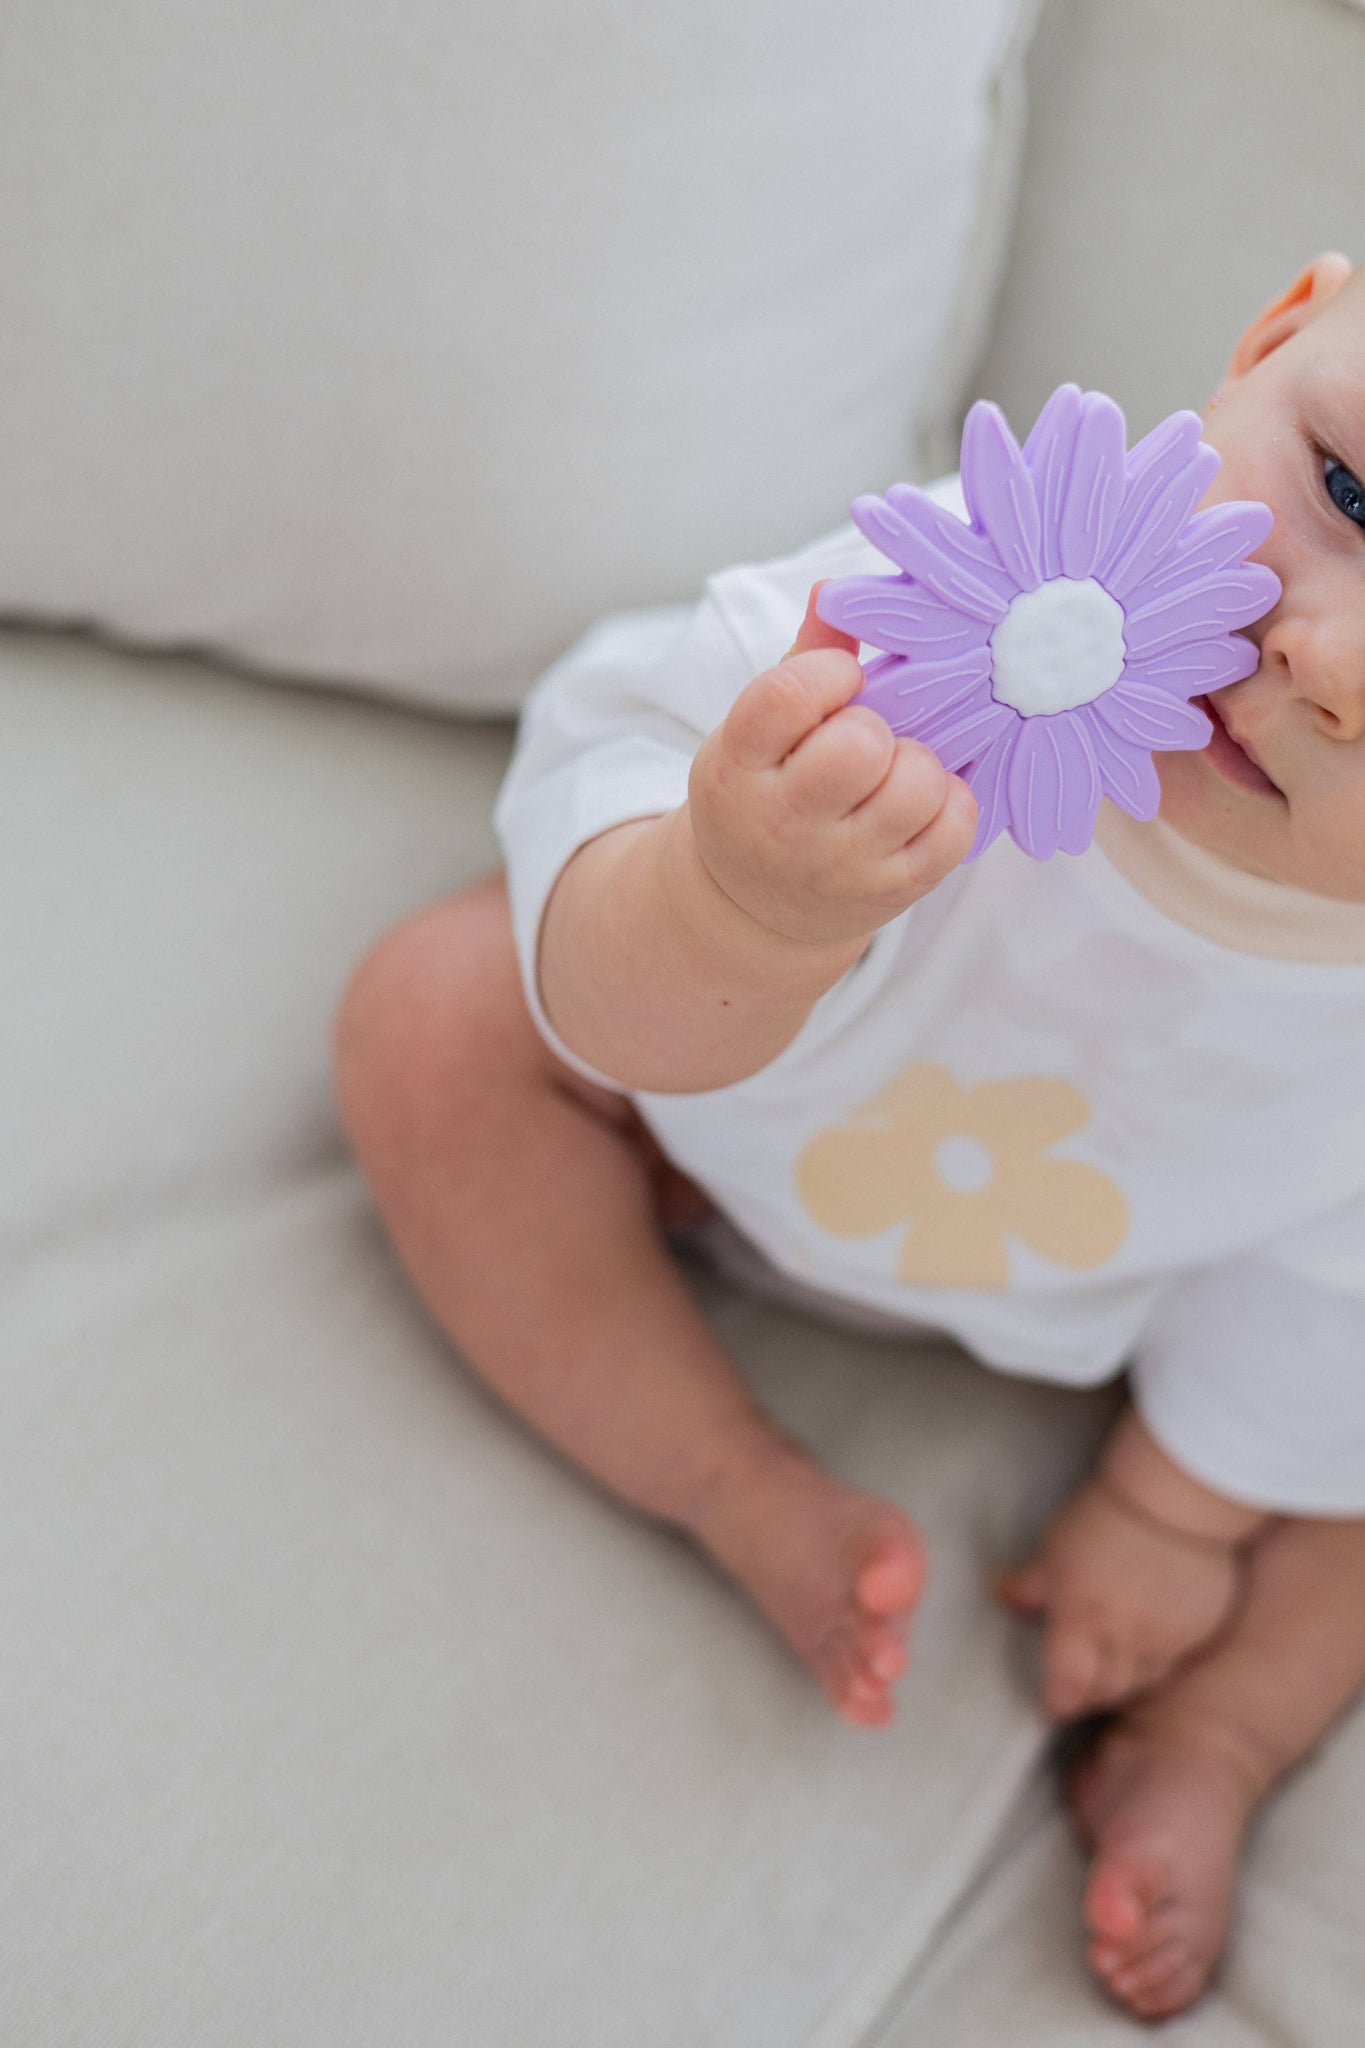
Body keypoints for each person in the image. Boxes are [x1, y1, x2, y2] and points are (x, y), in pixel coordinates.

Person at [334, 252, 1365, 2020]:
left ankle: (1207, 1745)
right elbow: (604, 997)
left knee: (1340, 1506)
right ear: (1274, 333)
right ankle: (729, 1479)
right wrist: (742, 899)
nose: (1327, 664)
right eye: (1347, 488)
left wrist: (1175, 1512)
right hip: (695, 1120)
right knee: (432, 1031)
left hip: (1135, 1297)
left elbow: (1330, 1286)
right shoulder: (937, 621)